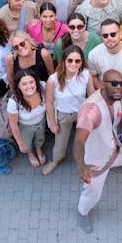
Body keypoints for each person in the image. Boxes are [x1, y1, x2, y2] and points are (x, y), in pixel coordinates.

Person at [73, 69, 122, 233]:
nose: (119, 87)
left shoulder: (116, 97)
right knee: (93, 194)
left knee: (121, 160)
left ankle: (115, 164)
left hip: (114, 149)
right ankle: (82, 212)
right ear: (103, 84)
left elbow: (121, 121)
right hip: (96, 161)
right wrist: (81, 166)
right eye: (114, 83)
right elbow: (79, 141)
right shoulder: (91, 110)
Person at [44, 45, 95, 175]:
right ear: (64, 61)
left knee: (86, 139)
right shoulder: (53, 80)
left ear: (81, 62)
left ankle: (87, 159)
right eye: (70, 60)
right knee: (60, 142)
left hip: (81, 112)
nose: (73, 64)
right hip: (64, 114)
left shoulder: (85, 75)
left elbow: (92, 95)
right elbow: (49, 103)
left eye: (77, 61)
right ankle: (56, 160)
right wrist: (52, 124)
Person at [88, 19, 122, 110]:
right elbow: (93, 76)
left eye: (113, 34)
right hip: (103, 98)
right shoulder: (93, 54)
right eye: (105, 35)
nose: (109, 38)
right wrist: (105, 94)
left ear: (120, 34)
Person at [8, 69, 47, 168]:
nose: (29, 86)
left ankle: (39, 149)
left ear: (36, 82)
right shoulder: (14, 102)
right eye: (24, 84)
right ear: (18, 86)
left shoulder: (43, 88)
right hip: (25, 126)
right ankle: (30, 154)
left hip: (41, 121)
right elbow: (13, 125)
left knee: (40, 138)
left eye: (31, 82)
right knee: (27, 143)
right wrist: (20, 143)